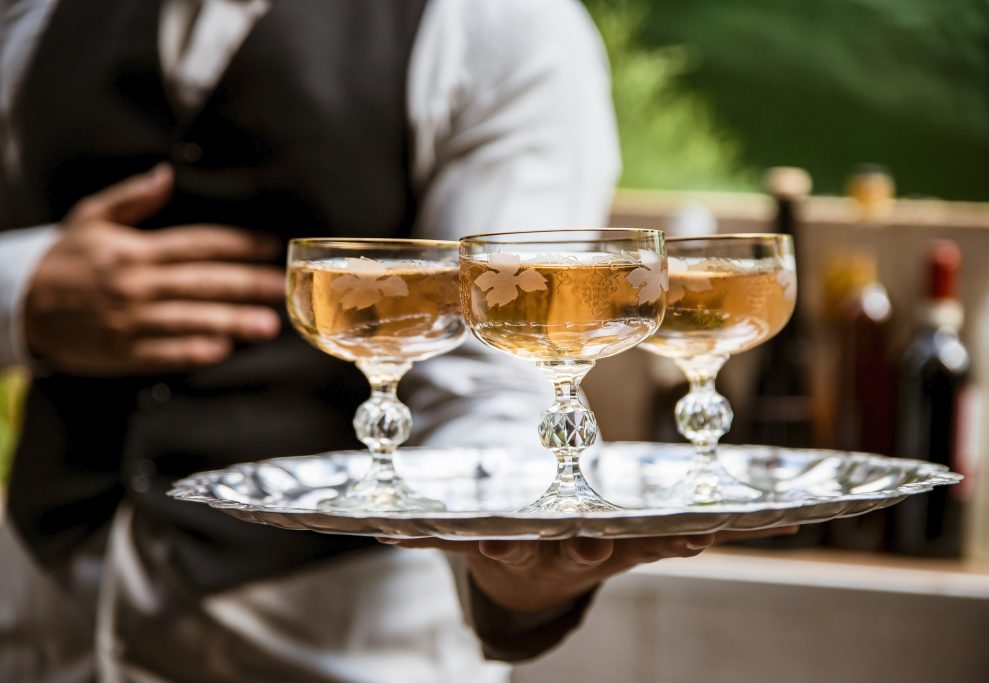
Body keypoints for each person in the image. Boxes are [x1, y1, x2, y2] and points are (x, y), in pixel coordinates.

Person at [0, 1, 792, 681]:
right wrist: (20, 292)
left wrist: (517, 561)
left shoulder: (504, 25)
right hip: (35, 620)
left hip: (338, 644)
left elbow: (498, 366)